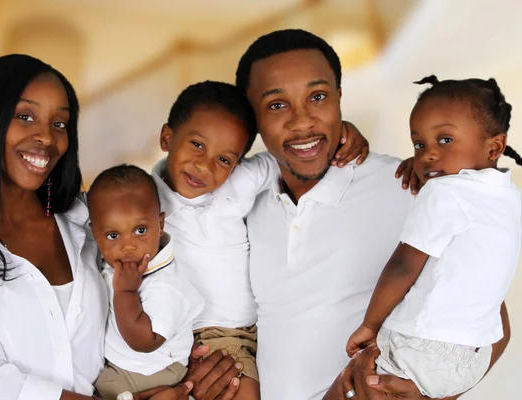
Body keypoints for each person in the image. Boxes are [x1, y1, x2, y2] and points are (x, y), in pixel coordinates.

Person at [0, 54, 235, 400]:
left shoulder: (88, 218)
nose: (46, 137)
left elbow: (151, 293)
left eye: (60, 124)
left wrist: (177, 358)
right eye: (25, 117)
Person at [234, 29, 512, 400]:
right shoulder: (237, 201)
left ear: (339, 99)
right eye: (277, 105)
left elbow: (490, 323)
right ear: (251, 118)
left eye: (318, 97)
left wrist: (431, 395)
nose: (303, 122)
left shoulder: (412, 188)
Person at [153, 80, 370, 399]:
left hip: (260, 330)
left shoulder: (236, 185)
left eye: (224, 159)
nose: (205, 165)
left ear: (237, 163)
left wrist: (342, 135)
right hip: (209, 335)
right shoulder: (142, 200)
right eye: (197, 145)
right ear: (167, 137)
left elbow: (291, 158)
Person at [346, 75, 521, 398]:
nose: (427, 155)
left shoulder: (445, 193)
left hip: (423, 345)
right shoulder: (510, 197)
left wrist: (370, 325)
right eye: (419, 144)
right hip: (474, 357)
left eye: (445, 140)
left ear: (494, 146)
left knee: (349, 387)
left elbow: (403, 266)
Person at [89, 164, 204, 399]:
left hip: (155, 370)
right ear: (95, 235)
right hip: (125, 364)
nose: (128, 245)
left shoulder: (166, 284)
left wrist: (126, 292)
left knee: (105, 390)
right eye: (113, 235)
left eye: (140, 230)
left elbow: (145, 341)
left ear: (160, 225)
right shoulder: (115, 262)